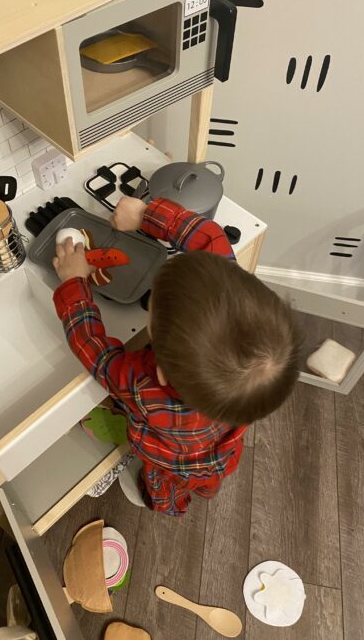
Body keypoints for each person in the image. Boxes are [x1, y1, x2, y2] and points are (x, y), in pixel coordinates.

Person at [52, 196, 301, 516]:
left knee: (166, 486)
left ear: (163, 374)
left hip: (170, 463)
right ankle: (209, 489)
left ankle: (167, 503)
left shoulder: (143, 386)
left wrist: (74, 283)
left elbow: (95, 352)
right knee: (209, 479)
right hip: (220, 452)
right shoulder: (226, 294)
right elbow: (212, 239)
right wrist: (144, 214)